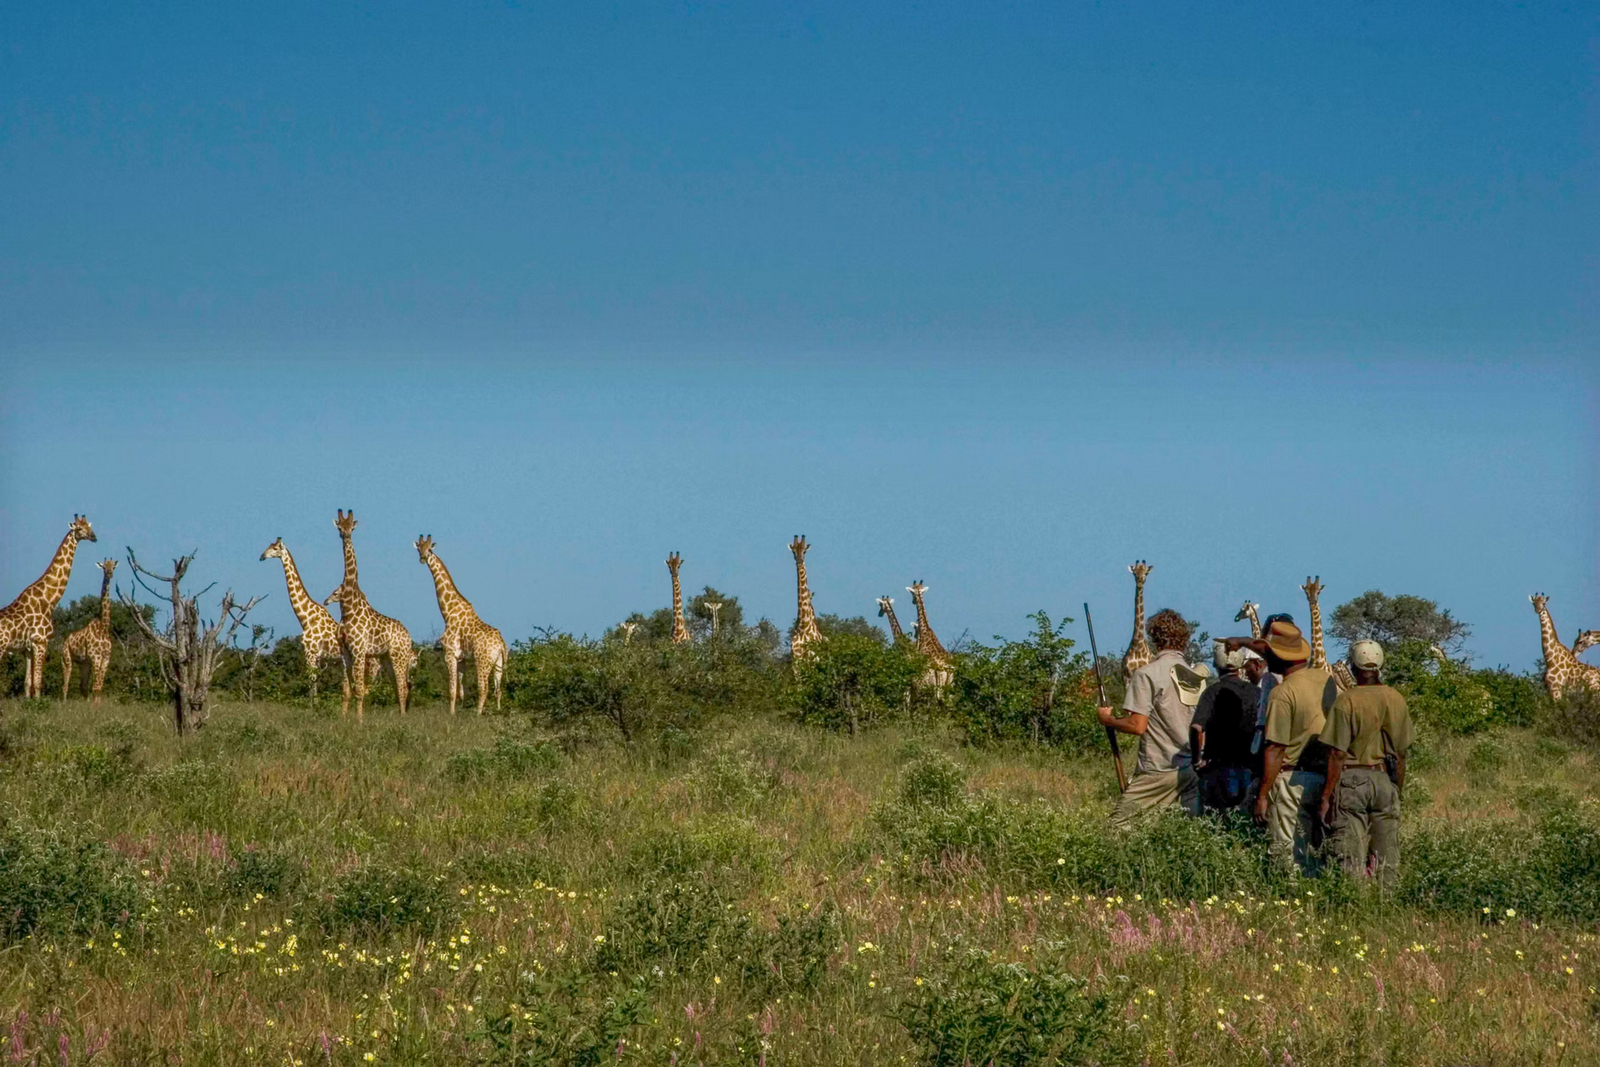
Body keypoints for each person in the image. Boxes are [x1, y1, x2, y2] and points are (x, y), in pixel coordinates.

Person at [1226, 620, 1335, 874]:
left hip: (1291, 782)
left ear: (1278, 657)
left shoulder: (1283, 693)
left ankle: (1292, 900)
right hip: (1325, 777)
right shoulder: (1325, 680)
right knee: (1317, 854)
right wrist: (1242, 641)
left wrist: (1262, 795)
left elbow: (1275, 749)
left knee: (1289, 858)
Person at [1099, 609, 1208, 829]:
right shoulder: (1196, 676)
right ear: (1184, 639)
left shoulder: (1147, 674)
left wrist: (1108, 720)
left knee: (1117, 830)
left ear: (1154, 637)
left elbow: (1137, 725)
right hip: (1190, 770)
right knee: (1187, 835)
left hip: (1158, 769)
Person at [1318, 640, 1414, 883]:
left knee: (1350, 855)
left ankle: (1355, 905)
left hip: (1351, 780)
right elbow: (1401, 754)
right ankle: (1386, 905)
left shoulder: (1346, 701)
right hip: (1384, 780)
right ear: (1380, 665)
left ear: (1352, 666)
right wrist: (1396, 789)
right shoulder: (1396, 699)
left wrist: (1326, 796)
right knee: (1387, 856)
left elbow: (1337, 754)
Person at [1189, 640, 1260, 812]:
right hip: (1251, 769)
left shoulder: (1212, 692)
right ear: (1241, 663)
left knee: (1216, 824)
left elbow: (1196, 728)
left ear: (1215, 664)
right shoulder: (1257, 692)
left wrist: (1197, 760)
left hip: (1218, 769)